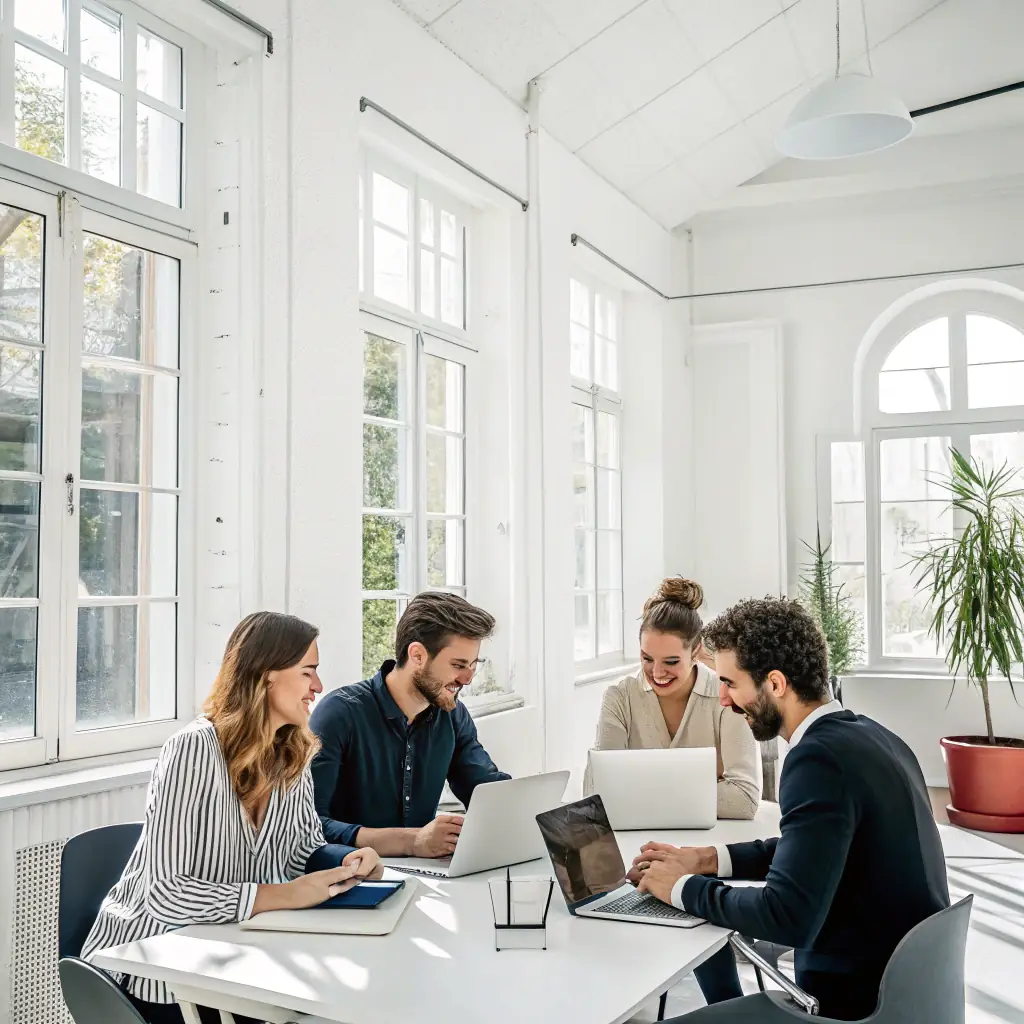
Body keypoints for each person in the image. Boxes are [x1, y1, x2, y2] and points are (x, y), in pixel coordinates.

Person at [633, 597, 949, 1022]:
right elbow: (813, 847)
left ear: (776, 684)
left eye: (730, 683)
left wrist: (679, 887)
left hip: (850, 1007)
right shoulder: (874, 737)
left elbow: (785, 917)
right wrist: (707, 859)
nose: (723, 698)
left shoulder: (818, 761)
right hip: (911, 996)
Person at [81, 612, 383, 1024]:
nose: (318, 687)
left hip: (233, 955)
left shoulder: (292, 751)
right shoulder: (193, 749)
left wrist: (348, 861)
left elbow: (301, 849)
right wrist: (284, 895)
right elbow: (167, 892)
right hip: (154, 970)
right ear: (265, 676)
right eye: (308, 671)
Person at [309, 592, 509, 858]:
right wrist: (412, 841)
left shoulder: (453, 715)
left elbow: (488, 793)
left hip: (425, 877)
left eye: (473, 665)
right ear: (417, 655)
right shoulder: (339, 714)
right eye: (458, 665)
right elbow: (309, 826)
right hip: (347, 882)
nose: (467, 679)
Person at [584, 577, 761, 820]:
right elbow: (598, 794)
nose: (657, 673)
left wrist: (636, 791)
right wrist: (705, 790)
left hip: (712, 842)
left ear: (696, 651)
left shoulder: (726, 697)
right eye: (647, 658)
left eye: (671, 662)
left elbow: (744, 799)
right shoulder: (619, 697)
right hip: (638, 842)